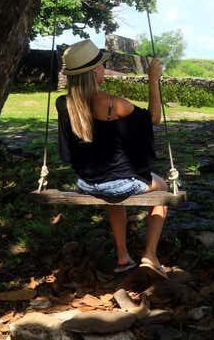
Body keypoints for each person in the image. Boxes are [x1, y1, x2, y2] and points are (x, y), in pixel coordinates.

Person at [56, 39, 168, 276]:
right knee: (163, 191)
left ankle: (122, 257)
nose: (103, 69)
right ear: (94, 71)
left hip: (86, 183)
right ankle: (150, 254)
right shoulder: (113, 104)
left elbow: (68, 150)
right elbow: (154, 119)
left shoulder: (63, 104)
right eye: (101, 66)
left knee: (114, 192)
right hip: (117, 184)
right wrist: (153, 80)